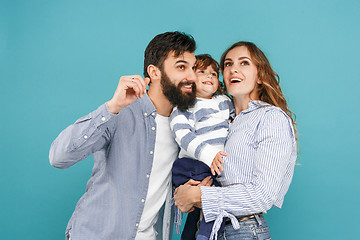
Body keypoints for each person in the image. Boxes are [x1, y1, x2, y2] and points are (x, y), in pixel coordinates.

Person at [49, 31, 211, 240]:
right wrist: (112, 107)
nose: (191, 76)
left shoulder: (184, 128)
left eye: (192, 67)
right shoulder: (120, 112)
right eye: (181, 67)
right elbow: (58, 157)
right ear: (154, 72)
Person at [173, 41, 297, 240]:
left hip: (242, 230)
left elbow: (263, 196)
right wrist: (186, 191)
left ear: (260, 76)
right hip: (207, 227)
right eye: (228, 64)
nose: (233, 69)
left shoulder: (270, 117)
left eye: (244, 63)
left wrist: (199, 196)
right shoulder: (222, 119)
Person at [170, 54, 233, 240]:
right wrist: (209, 154)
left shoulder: (224, 101)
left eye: (214, 74)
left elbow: (236, 120)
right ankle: (206, 235)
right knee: (211, 197)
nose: (209, 76)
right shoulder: (186, 105)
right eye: (202, 72)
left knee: (205, 205)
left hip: (214, 165)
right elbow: (183, 135)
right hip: (193, 163)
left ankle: (198, 235)